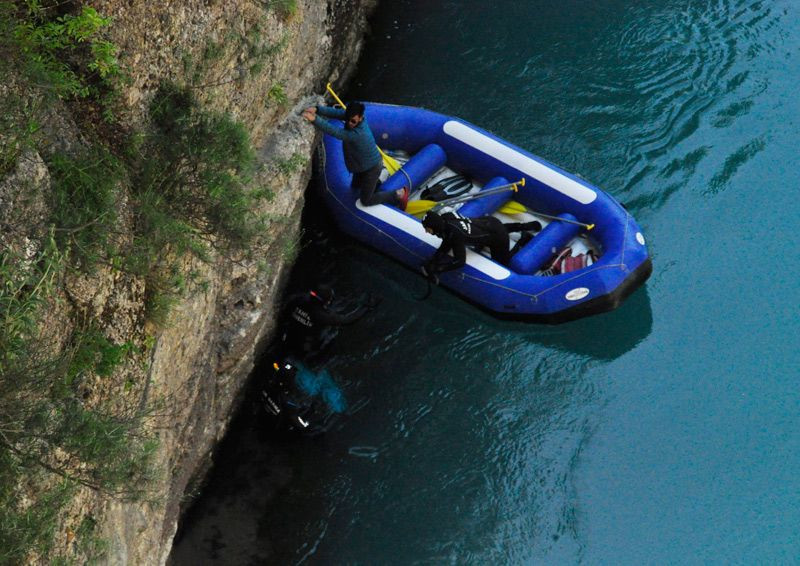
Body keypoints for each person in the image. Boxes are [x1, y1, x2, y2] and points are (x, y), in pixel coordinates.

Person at [302, 102, 409, 208]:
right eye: (348, 119)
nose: (349, 123)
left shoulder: (358, 133)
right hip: (361, 166)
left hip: (372, 168)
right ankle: (375, 185)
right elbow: (337, 113)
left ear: (361, 118)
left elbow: (336, 132)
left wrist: (315, 119)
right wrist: (317, 109)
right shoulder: (354, 117)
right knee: (355, 186)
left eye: (353, 121)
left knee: (366, 200)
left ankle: (397, 194)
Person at [278, 285, 379, 366]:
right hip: (304, 347)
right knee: (328, 343)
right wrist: (367, 307)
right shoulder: (322, 316)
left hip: (289, 337)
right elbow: (347, 320)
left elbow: (286, 309)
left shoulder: (299, 299)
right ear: (326, 302)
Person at [421, 210, 542, 276]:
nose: (426, 231)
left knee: (503, 262)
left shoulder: (454, 234)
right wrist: (434, 260)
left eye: (427, 228)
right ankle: (527, 226)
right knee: (494, 229)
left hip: (497, 238)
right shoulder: (446, 216)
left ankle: (523, 239)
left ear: (435, 226)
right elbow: (446, 243)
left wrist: (438, 269)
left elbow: (459, 262)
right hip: (489, 222)